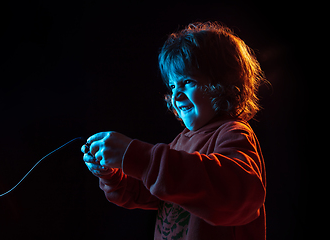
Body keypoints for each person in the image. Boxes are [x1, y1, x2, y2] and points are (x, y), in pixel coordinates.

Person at [81, 21, 267, 240]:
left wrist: (139, 158)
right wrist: (113, 173)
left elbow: (238, 194)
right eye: (172, 86)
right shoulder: (181, 142)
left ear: (223, 84)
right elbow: (149, 191)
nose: (176, 95)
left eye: (187, 81)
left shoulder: (233, 133)